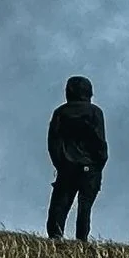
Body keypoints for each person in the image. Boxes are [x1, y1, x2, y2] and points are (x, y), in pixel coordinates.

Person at [46, 77, 107, 242]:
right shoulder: (95, 112)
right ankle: (82, 240)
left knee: (60, 205)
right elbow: (100, 141)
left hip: (66, 167)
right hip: (90, 167)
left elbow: (53, 142)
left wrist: (60, 164)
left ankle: (56, 237)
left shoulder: (60, 113)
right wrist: (98, 164)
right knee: (85, 207)